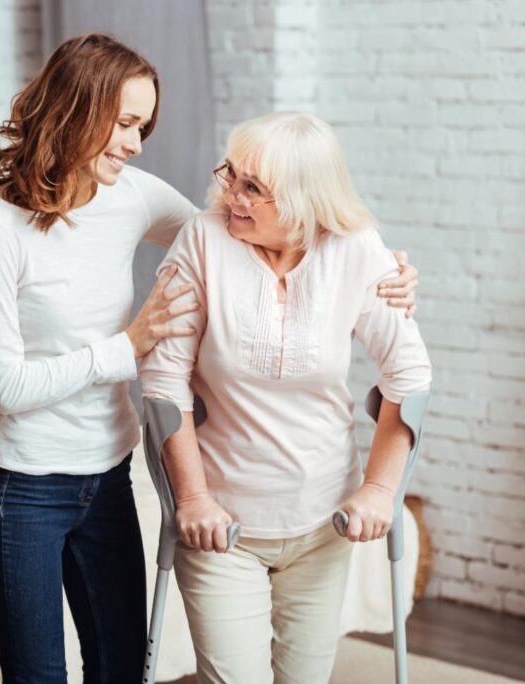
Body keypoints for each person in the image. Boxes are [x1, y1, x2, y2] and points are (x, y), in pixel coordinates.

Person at [0, 34, 420, 682]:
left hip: (108, 476)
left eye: (142, 126)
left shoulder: (130, 194)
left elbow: (235, 233)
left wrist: (382, 271)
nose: (135, 143)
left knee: (120, 668)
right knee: (38, 675)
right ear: (76, 109)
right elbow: (9, 387)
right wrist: (127, 348)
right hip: (26, 486)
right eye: (124, 123)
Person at [140, 111, 432, 684]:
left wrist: (378, 489)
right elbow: (164, 381)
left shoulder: (356, 251)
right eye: (232, 177)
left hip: (325, 520)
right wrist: (192, 498)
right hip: (222, 525)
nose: (232, 198)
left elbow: (410, 375)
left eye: (254, 188)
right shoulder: (203, 240)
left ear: (304, 201)